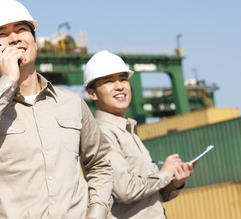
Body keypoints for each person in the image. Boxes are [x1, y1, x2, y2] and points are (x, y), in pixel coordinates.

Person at [0, 0, 113, 219]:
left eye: (21, 29)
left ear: (34, 40)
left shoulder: (72, 103)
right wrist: (7, 81)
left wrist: (97, 212)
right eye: (2, 34)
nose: (15, 38)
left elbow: (99, 163)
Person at [83, 50, 194, 219]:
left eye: (123, 79)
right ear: (92, 93)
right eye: (109, 81)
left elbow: (151, 196)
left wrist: (174, 182)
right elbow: (126, 191)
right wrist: (164, 173)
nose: (119, 86)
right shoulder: (102, 133)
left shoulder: (129, 132)